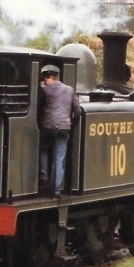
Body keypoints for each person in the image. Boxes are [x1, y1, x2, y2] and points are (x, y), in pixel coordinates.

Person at [38, 64, 81, 197]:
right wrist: (71, 124)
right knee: (59, 159)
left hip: (49, 127)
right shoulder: (70, 90)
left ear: (50, 77)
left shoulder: (45, 90)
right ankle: (56, 190)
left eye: (45, 79)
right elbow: (78, 111)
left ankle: (44, 177)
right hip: (64, 127)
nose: (44, 81)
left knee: (43, 150)